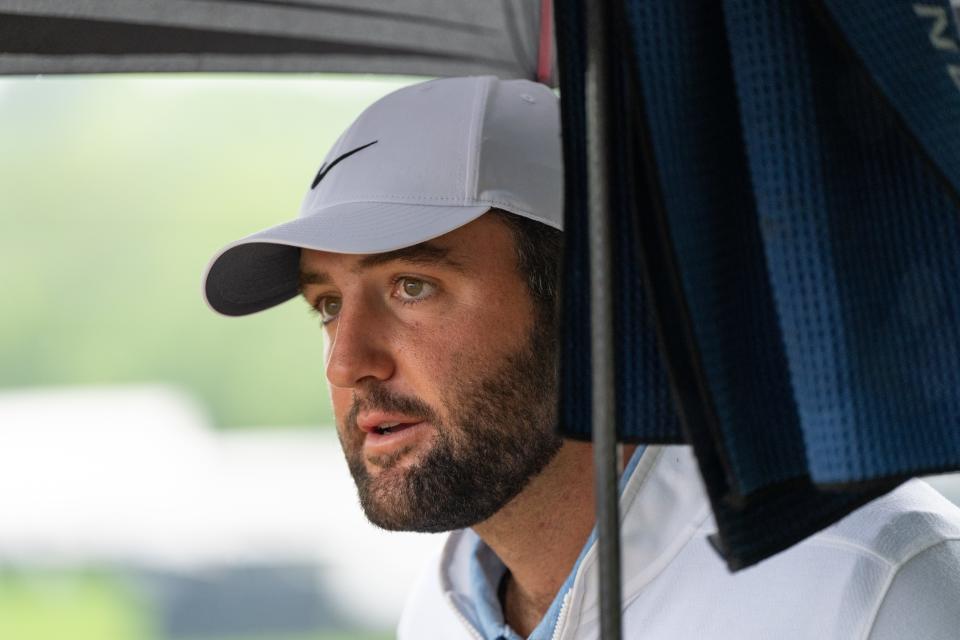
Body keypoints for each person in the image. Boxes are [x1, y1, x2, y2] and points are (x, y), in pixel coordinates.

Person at [203, 76, 960, 639]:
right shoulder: (439, 613)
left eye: (411, 286)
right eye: (327, 305)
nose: (346, 363)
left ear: (594, 303)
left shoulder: (875, 588)